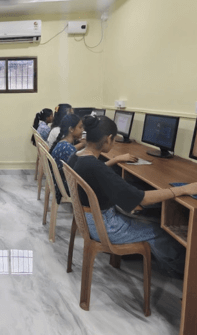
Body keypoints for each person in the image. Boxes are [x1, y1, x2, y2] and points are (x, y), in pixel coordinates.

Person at [68, 115, 197, 278]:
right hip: (104, 226)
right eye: (113, 140)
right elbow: (142, 198)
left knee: (149, 216)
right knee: (159, 231)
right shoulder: (96, 168)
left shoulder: (77, 157)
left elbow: (98, 172)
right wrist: (182, 189)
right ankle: (184, 275)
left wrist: (114, 162)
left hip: (90, 220)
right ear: (108, 139)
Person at [49, 114, 84, 202]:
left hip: (58, 183)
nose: (82, 130)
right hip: (65, 188)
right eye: (80, 127)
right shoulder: (68, 149)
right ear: (71, 129)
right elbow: (81, 171)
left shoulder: (62, 143)